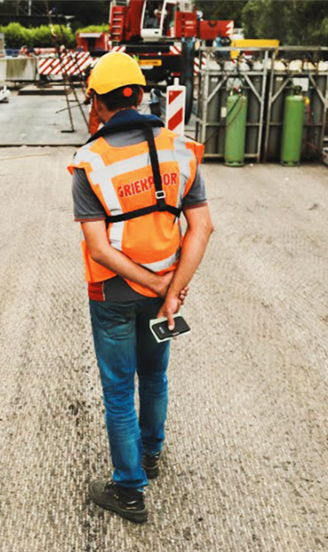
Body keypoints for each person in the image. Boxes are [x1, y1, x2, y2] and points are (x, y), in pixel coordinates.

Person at [68, 52, 214, 523]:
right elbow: (202, 227)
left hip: (112, 293)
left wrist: (149, 281)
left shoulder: (90, 160)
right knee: (153, 376)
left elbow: (98, 247)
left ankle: (129, 489)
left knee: (118, 389)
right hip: (162, 290)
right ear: (142, 95)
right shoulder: (178, 148)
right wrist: (171, 289)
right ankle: (150, 454)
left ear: (97, 104)